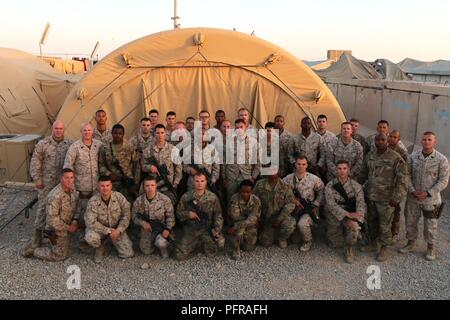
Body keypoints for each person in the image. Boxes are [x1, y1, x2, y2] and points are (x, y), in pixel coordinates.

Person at [400, 132, 449, 261]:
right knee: (410, 221)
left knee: (431, 224)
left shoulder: (441, 159)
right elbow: (407, 175)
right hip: (413, 198)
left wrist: (428, 193)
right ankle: (411, 243)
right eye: (424, 139)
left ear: (434, 142)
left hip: (431, 200)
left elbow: (443, 180)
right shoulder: (413, 157)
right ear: (421, 141)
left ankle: (430, 247)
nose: (426, 142)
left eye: (429, 139)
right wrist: (412, 190)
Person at [360, 133, 408, 262]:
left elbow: (402, 180)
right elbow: (363, 174)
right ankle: (373, 243)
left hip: (387, 199)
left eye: (382, 140)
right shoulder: (370, 155)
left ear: (387, 141)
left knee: (385, 224)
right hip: (371, 196)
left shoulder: (395, 158)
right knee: (371, 221)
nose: (379, 142)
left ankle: (384, 247)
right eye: (377, 140)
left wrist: (397, 198)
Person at [29, 121, 72, 249]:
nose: (58, 131)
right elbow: (35, 161)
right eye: (56, 128)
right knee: (43, 207)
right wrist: (37, 179)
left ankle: (57, 233)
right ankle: (37, 235)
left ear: (64, 130)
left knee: (62, 208)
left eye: (61, 129)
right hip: (47, 182)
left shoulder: (69, 144)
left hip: (62, 183)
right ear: (52, 129)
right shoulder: (43, 144)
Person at [22, 169, 79, 261]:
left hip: (69, 223)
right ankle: (34, 251)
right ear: (61, 178)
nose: (69, 180)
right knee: (59, 256)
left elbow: (77, 207)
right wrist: (68, 228)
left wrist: (75, 221)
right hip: (56, 228)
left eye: (72, 178)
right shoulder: (55, 196)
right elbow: (52, 221)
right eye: (66, 178)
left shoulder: (73, 190)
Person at [64, 123, 102, 250]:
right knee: (81, 214)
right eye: (85, 130)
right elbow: (68, 167)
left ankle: (95, 238)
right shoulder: (74, 147)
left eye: (89, 130)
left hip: (97, 187)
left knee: (96, 214)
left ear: (93, 132)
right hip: (81, 188)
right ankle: (82, 239)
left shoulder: (99, 145)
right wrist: (70, 186)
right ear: (81, 131)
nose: (87, 132)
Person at [175, 172, 224, 260]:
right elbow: (178, 213)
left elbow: (218, 215)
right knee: (180, 256)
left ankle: (201, 242)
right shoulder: (186, 197)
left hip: (206, 228)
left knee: (215, 249)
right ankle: (195, 243)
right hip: (191, 230)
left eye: (202, 181)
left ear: (205, 182)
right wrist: (188, 214)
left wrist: (217, 230)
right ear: (193, 182)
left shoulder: (212, 197)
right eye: (197, 181)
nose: (200, 184)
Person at [85, 176, 134, 263]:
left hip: (116, 229)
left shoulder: (119, 197)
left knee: (128, 254)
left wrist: (119, 230)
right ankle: (99, 248)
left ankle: (111, 243)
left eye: (107, 185)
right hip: (100, 229)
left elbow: (126, 215)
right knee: (90, 237)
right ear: (98, 187)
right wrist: (107, 231)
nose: (105, 188)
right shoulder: (93, 201)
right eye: (102, 186)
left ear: (111, 186)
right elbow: (90, 222)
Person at [324, 161, 366, 263]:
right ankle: (335, 230)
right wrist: (346, 214)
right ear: (336, 170)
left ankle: (348, 249)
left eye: (344, 168)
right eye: (339, 168)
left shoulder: (356, 186)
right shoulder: (330, 185)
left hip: (351, 213)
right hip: (335, 214)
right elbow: (331, 205)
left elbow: (361, 204)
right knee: (334, 244)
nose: (342, 171)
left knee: (354, 228)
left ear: (348, 170)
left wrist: (356, 219)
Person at [283, 156, 324, 252]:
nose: (301, 166)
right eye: (299, 164)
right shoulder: (288, 179)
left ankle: (307, 241)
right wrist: (293, 200)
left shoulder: (314, 179)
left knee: (302, 224)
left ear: (307, 166)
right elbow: (281, 192)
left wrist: (316, 204)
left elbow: (322, 190)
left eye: (303, 164)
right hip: (293, 209)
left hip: (308, 209)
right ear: (295, 165)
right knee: (292, 234)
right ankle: (290, 235)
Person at [132, 175, 175, 258]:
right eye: (147, 186)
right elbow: (134, 217)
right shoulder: (138, 201)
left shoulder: (164, 199)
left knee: (161, 243)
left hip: (160, 228)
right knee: (146, 251)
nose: (150, 188)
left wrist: (167, 229)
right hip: (147, 229)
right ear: (144, 187)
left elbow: (171, 217)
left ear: (156, 186)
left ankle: (163, 249)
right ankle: (152, 244)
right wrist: (142, 223)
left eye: (152, 185)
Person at [253, 167, 296, 249]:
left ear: (278, 172)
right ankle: (270, 232)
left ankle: (282, 238)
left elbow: (290, 204)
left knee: (290, 225)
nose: (272, 172)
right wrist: (257, 218)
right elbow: (254, 201)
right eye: (270, 170)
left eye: (274, 170)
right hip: (265, 217)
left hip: (280, 216)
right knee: (265, 243)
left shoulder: (285, 186)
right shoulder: (259, 185)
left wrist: (279, 219)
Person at [141, 124, 182, 203]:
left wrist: (175, 184)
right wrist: (150, 167)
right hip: (152, 186)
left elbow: (178, 168)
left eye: (162, 133)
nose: (160, 135)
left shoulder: (173, 149)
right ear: (154, 134)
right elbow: (143, 166)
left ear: (165, 134)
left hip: (168, 185)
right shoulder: (148, 149)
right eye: (157, 133)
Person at [98, 124, 140, 200]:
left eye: (120, 133)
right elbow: (101, 165)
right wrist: (109, 174)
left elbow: (136, 165)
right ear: (112, 133)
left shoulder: (129, 147)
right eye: (115, 133)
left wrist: (136, 183)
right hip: (112, 183)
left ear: (123, 134)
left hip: (128, 182)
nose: (117, 135)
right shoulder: (105, 148)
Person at [223, 119, 260, 203]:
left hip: (246, 176)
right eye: (237, 127)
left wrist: (253, 177)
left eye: (241, 127)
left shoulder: (253, 143)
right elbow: (224, 161)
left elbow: (258, 162)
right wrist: (224, 177)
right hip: (231, 176)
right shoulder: (229, 142)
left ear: (246, 128)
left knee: (246, 200)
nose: (239, 129)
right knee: (230, 200)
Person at [226, 180, 261, 260]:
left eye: (248, 192)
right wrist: (248, 220)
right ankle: (236, 249)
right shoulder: (234, 198)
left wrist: (249, 221)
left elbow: (254, 218)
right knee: (238, 231)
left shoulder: (256, 200)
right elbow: (235, 216)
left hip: (246, 225)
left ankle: (242, 240)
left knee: (249, 248)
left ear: (251, 191)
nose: (245, 194)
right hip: (236, 224)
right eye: (243, 192)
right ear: (239, 191)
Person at [388, 129, 408, 240]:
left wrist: (400, 192)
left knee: (395, 209)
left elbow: (405, 173)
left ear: (398, 139)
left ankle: (394, 232)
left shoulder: (402, 152)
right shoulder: (383, 149)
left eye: (394, 137)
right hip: (384, 186)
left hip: (396, 187)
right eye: (390, 136)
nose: (391, 138)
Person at [316, 114, 337, 181]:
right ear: (317, 123)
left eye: (323, 121)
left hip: (329, 167)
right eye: (319, 121)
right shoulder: (313, 136)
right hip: (316, 166)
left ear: (326, 123)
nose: (321, 123)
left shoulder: (332, 137)